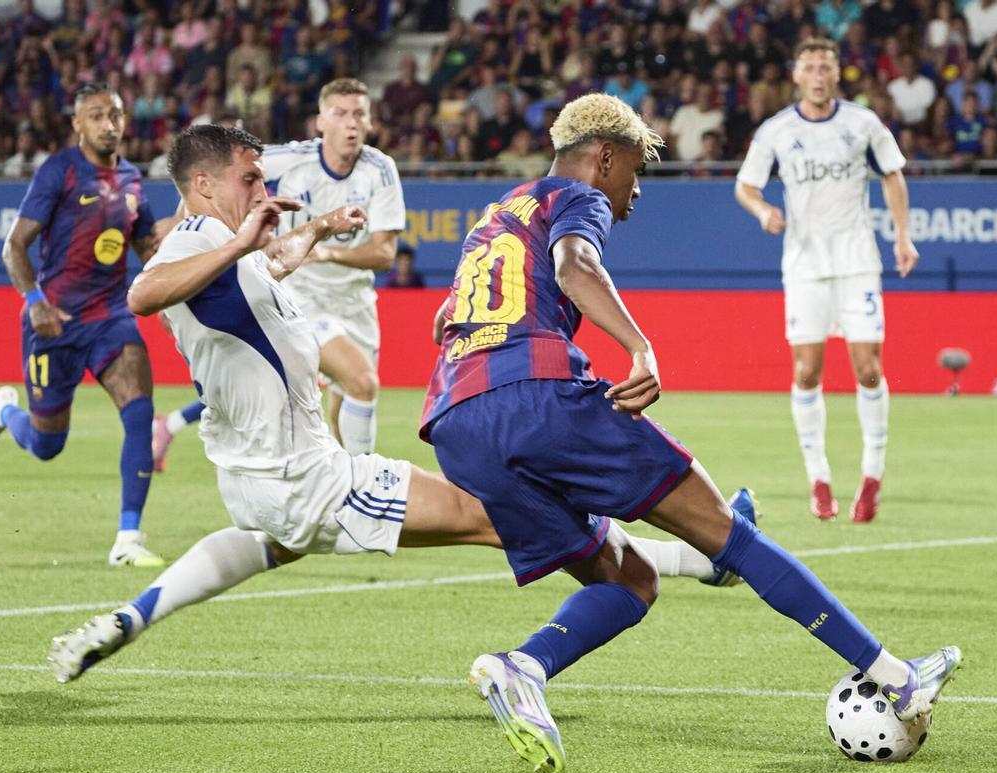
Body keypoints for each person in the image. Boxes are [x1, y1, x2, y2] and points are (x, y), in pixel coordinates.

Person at [47, 124, 732, 686]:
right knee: (496, 512)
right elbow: (145, 293)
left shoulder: (231, 254)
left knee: (272, 544)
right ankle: (699, 561)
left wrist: (315, 231)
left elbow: (260, 269)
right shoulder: (196, 240)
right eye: (249, 179)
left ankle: (127, 619)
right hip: (304, 477)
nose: (262, 189)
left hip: (255, 478)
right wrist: (240, 239)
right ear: (202, 185)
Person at [422, 92, 959, 773]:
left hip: (456, 424)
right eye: (636, 168)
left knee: (630, 579)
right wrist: (640, 348)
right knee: (731, 537)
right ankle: (897, 676)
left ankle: (523, 667)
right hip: (535, 396)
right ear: (603, 157)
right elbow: (575, 267)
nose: (637, 188)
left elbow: (446, 318)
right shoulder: (575, 196)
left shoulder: (498, 215)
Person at [0, 83, 169, 567]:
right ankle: (2, 414)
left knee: (140, 414)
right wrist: (34, 300)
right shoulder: (59, 171)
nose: (109, 124)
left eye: (116, 114)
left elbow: (146, 247)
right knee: (46, 446)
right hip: (54, 321)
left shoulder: (133, 179)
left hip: (110, 318)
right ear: (78, 124)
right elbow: (14, 246)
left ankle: (128, 539)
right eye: (97, 115)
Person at [154, 78, 402, 465]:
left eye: (359, 114)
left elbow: (385, 254)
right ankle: (361, 494)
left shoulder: (380, 169)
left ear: (371, 122)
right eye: (340, 114)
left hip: (355, 305)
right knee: (363, 383)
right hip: (299, 298)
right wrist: (183, 223)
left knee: (341, 411)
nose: (350, 123)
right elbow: (212, 172)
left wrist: (326, 253)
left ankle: (169, 425)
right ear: (320, 121)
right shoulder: (291, 158)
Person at [734, 38, 919, 523]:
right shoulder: (777, 130)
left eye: (826, 66)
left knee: (868, 370)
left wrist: (902, 236)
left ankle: (872, 477)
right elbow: (745, 185)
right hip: (805, 265)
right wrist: (762, 211)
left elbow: (893, 176)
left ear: (837, 74)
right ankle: (818, 480)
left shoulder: (863, 124)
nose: (818, 74)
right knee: (806, 372)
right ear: (796, 75)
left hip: (857, 259)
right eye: (810, 66)